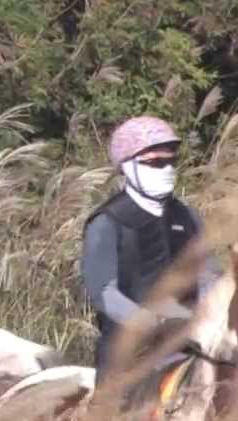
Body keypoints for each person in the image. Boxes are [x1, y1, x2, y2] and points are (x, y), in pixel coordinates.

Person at [80, 116, 221, 393]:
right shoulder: (106, 222)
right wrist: (151, 323)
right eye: (155, 163)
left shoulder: (188, 216)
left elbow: (208, 273)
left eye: (171, 162)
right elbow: (104, 293)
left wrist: (206, 315)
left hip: (192, 344)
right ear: (128, 166)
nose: (166, 169)